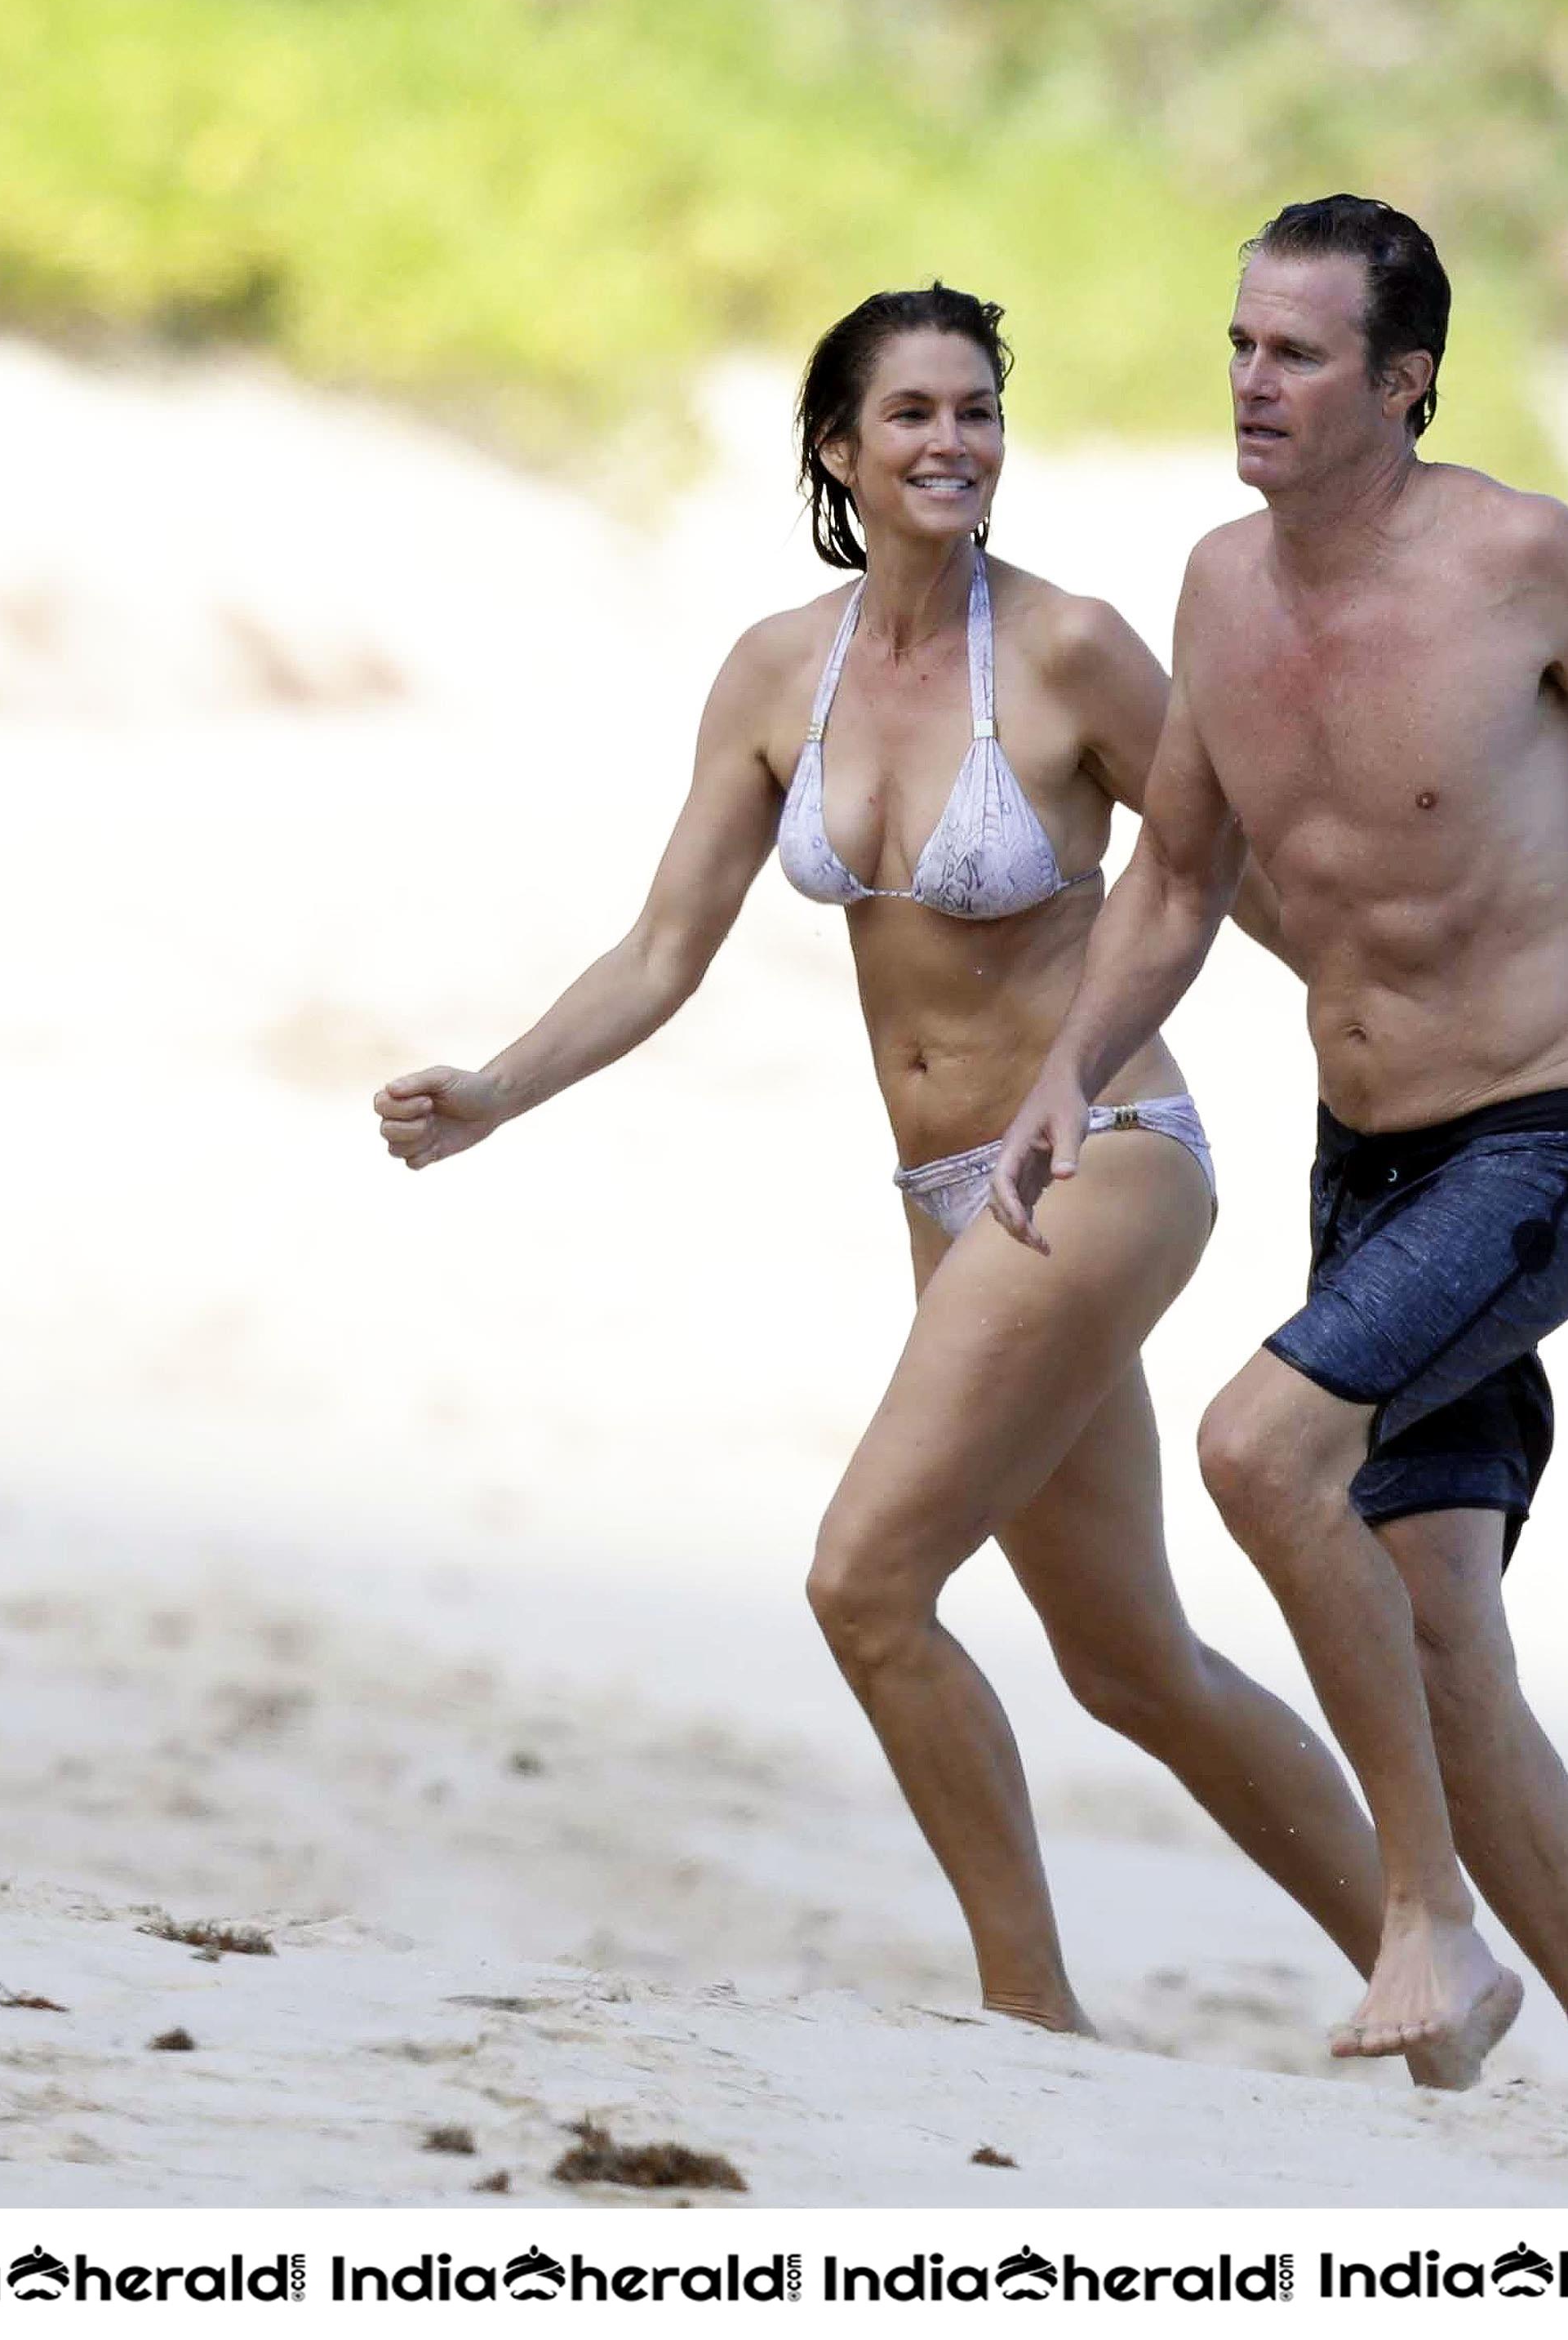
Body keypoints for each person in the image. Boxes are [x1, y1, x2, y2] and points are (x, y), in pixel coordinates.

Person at [376, 285, 1457, 2064]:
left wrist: (1419, 1082)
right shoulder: (769, 673)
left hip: (1103, 1154)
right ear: (837, 450)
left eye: (977, 411)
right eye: (912, 416)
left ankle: (1027, 2012)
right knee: (1129, 1664)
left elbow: (1249, 894)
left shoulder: (1073, 651)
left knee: (863, 1581)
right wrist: (496, 1089)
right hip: (946, 1202)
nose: (953, 442)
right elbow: (662, 950)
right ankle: (1431, 1985)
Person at [989, 198, 1568, 2128]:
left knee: (1259, 1450)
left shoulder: (1517, 563)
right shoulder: (1215, 588)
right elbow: (1183, 873)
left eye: (1295, 356)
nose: (1253, 386)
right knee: (1439, 1623)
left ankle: (1422, 1911)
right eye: (1240, 349)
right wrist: (1066, 1068)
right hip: (1362, 1158)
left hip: (1545, 1136)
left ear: (1402, 380)